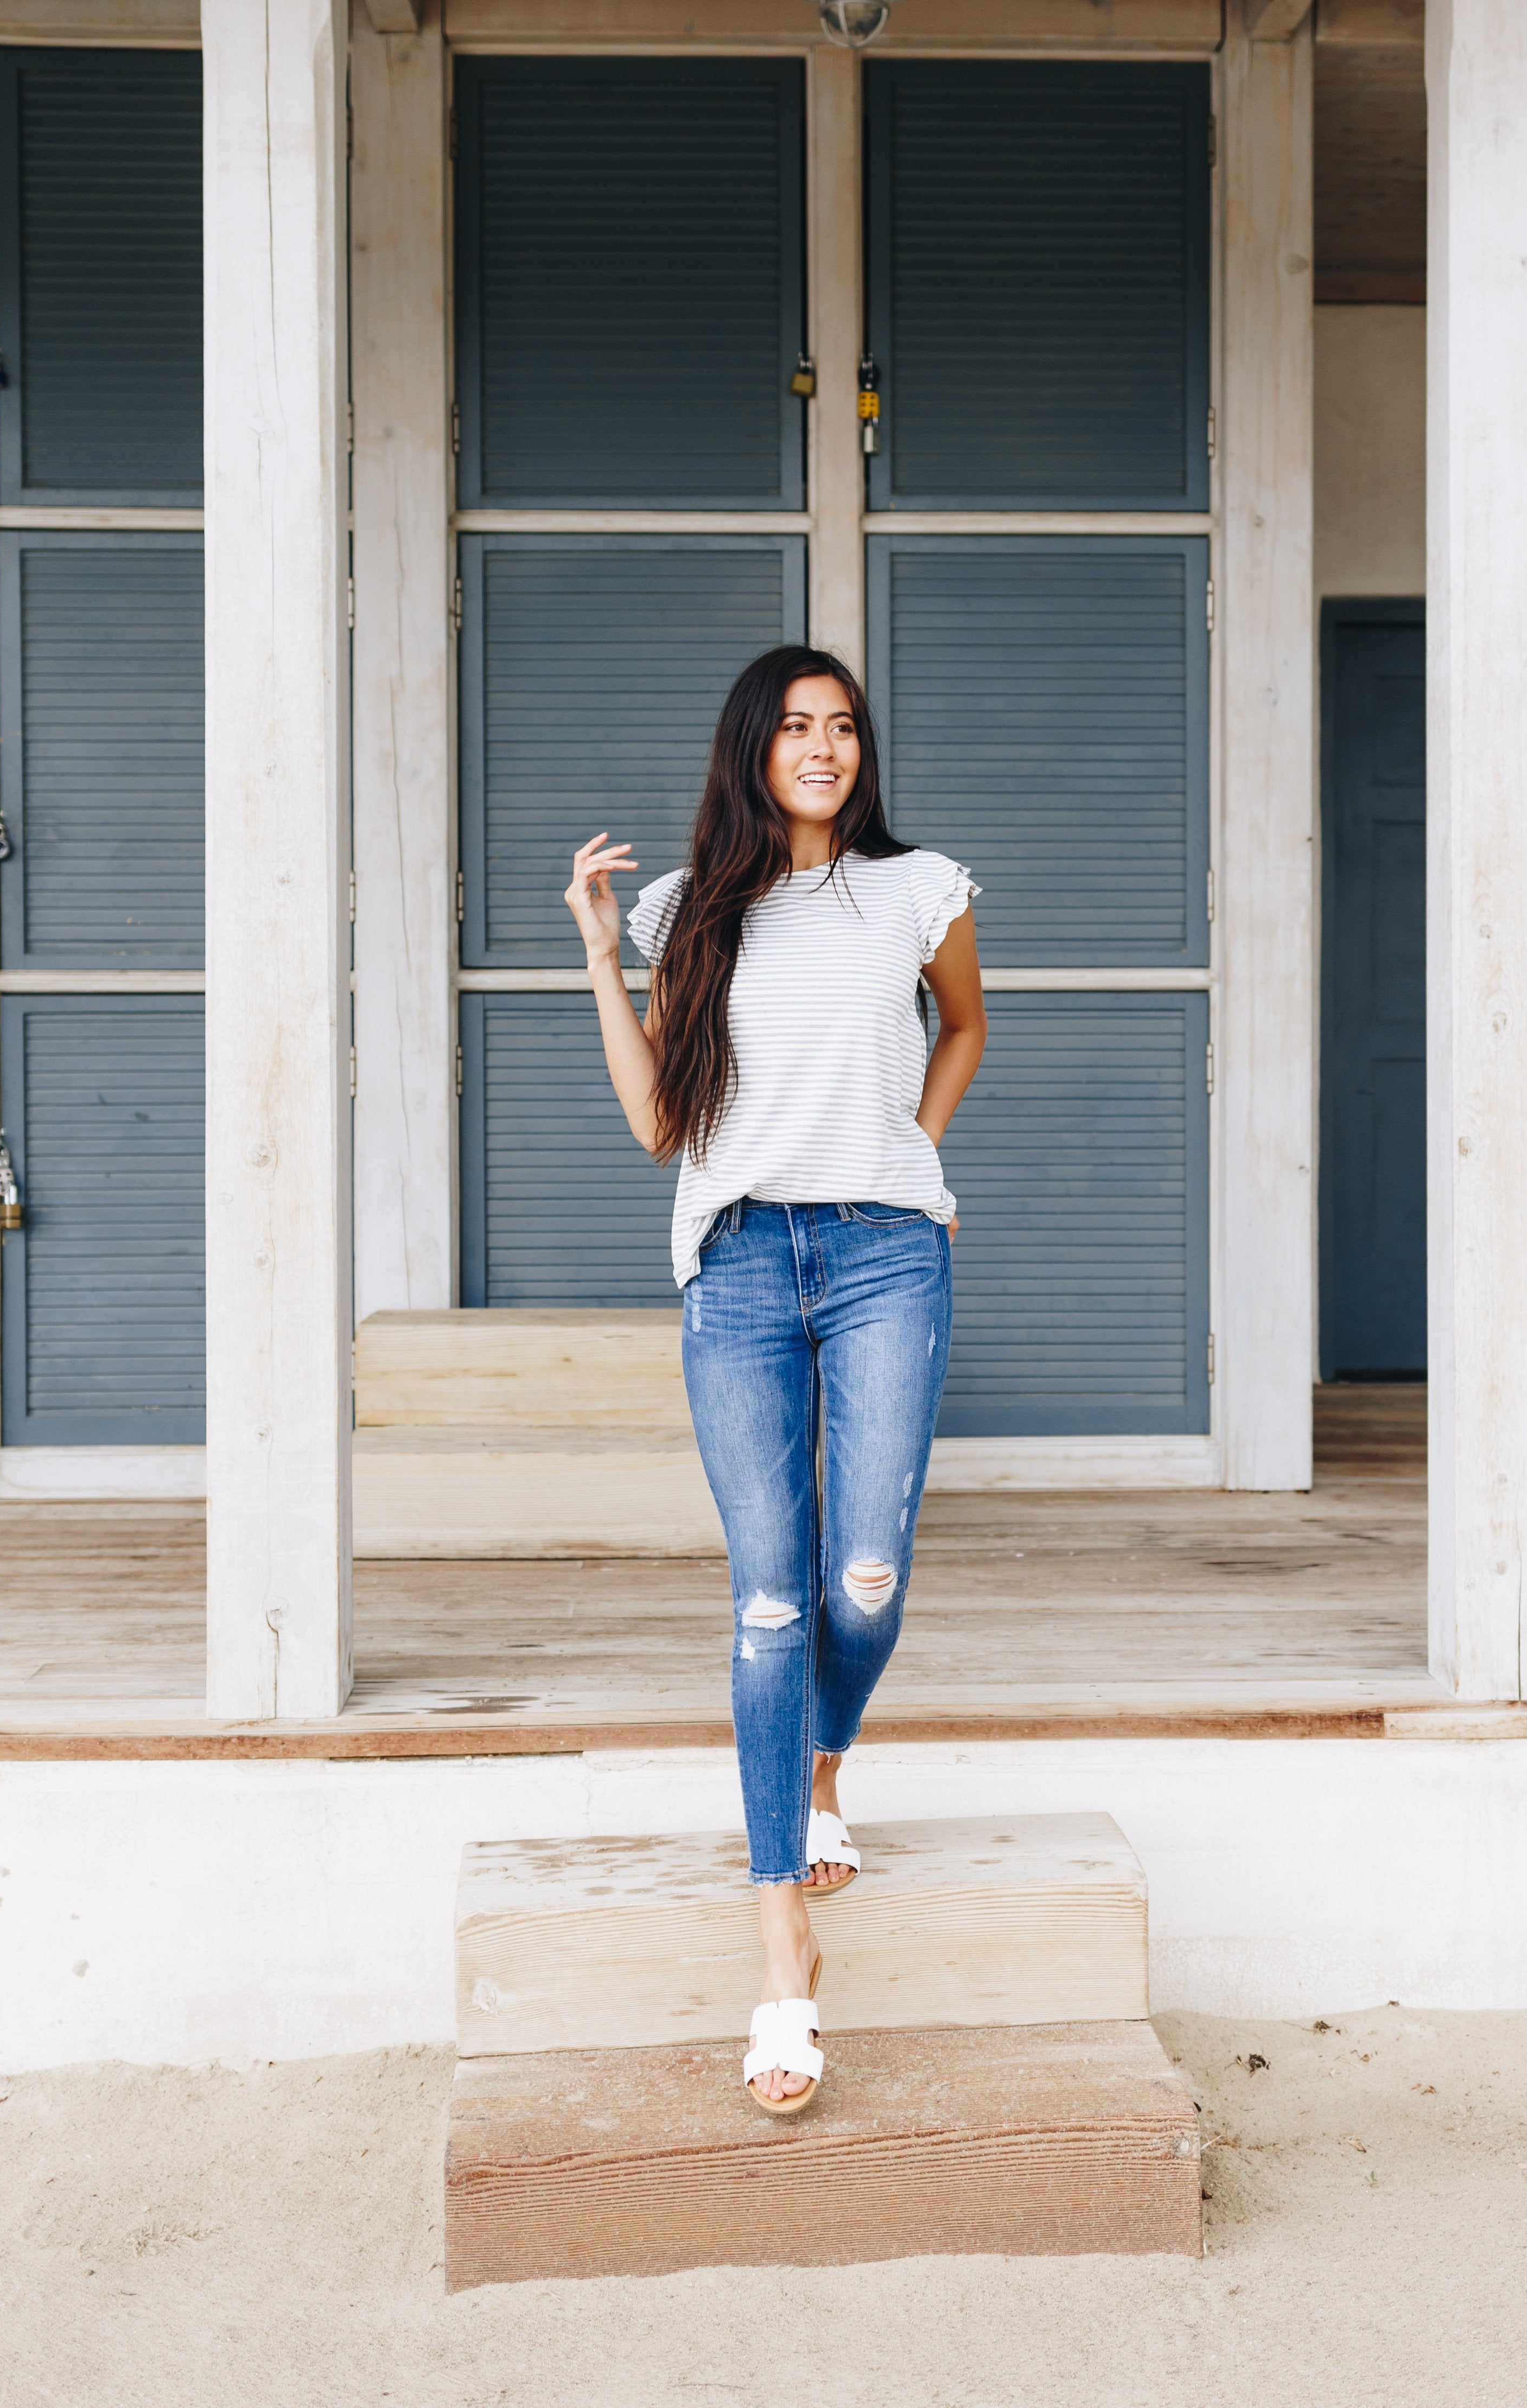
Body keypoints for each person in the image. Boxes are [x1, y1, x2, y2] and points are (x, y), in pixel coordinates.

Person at [563, 644, 987, 2113]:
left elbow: (966, 1026)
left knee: (862, 1574)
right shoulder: (692, 912)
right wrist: (600, 952)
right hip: (739, 1261)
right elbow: (652, 1123)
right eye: (798, 727)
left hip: (884, 1252)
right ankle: (779, 1953)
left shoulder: (916, 887)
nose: (823, 747)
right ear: (753, 748)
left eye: (844, 727)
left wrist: (913, 1153)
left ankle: (823, 1766)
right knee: (766, 1596)